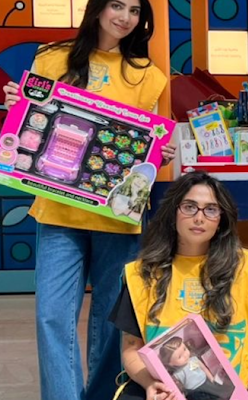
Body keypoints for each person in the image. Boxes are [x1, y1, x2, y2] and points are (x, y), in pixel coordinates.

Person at [2, 1, 175, 400]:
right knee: (52, 318)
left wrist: (156, 154)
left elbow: (144, 145)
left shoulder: (149, 77)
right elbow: (32, 118)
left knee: (113, 323)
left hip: (117, 218)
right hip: (58, 210)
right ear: (97, 8)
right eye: (116, 5)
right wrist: (19, 106)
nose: (124, 17)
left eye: (134, 10)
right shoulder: (51, 57)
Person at [108, 171, 248, 400]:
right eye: (189, 207)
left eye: (210, 209)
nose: (199, 218)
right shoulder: (142, 274)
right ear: (173, 213)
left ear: (221, 220)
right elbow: (130, 347)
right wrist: (151, 384)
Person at [159, 336, 233, 400]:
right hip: (193, 391)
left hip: (206, 382)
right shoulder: (177, 374)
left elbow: (203, 368)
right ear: (170, 363)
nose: (185, 355)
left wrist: (211, 378)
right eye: (179, 356)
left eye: (184, 349)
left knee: (218, 395)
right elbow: (179, 387)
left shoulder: (193, 359)